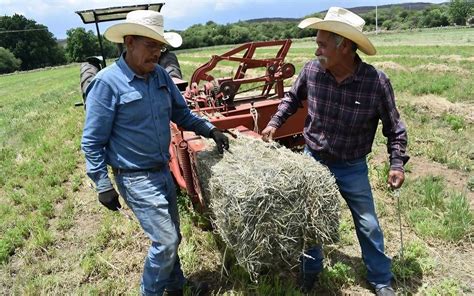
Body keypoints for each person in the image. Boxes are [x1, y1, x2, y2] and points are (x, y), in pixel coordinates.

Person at [261, 7, 409, 296]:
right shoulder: (312, 71)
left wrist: (397, 163)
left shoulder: (375, 82)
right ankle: (311, 272)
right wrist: (274, 123)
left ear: (344, 47)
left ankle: (380, 279)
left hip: (352, 165)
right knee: (311, 220)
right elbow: (291, 99)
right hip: (314, 160)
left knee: (367, 223)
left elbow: (395, 128)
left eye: (322, 44)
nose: (317, 50)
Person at [81, 10, 229, 296]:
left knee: (173, 237)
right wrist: (102, 185)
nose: (157, 53)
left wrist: (211, 130)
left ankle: (175, 287)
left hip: (162, 171)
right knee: (165, 241)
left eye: (160, 47)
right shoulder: (107, 84)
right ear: (130, 42)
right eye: (151, 46)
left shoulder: (160, 75)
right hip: (134, 177)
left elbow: (181, 114)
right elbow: (92, 141)